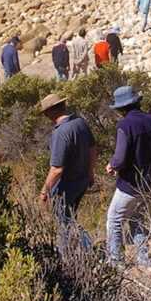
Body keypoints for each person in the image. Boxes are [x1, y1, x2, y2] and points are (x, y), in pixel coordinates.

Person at [105, 86, 151, 268]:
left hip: (132, 183)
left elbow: (121, 156)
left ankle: (116, 262)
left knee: (114, 220)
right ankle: (144, 259)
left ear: (121, 108)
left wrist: (112, 165)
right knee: (137, 218)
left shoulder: (125, 125)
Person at [38, 93, 97, 250]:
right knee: (70, 219)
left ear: (49, 112)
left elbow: (57, 169)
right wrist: (90, 173)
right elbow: (92, 149)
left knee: (64, 223)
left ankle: (76, 254)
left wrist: (45, 191)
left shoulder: (61, 132)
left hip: (67, 186)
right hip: (82, 181)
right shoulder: (80, 123)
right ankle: (80, 250)